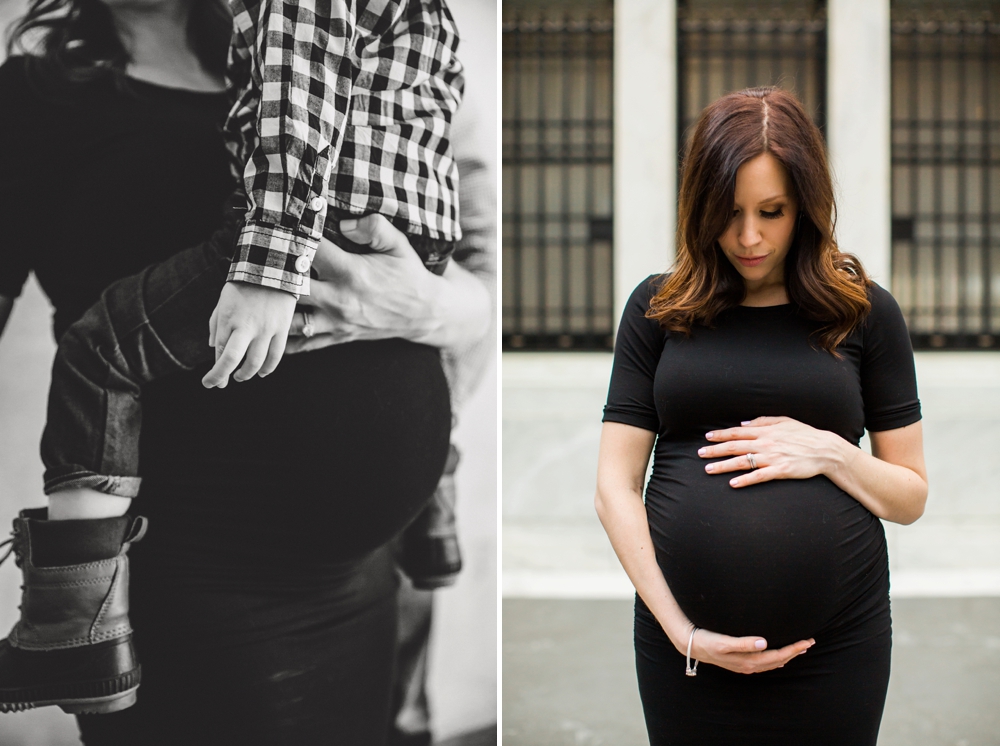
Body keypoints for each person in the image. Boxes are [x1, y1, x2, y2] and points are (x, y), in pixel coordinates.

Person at [0, 0, 490, 742]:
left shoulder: (289, 38)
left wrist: (428, 308)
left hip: (367, 574)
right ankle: (75, 623)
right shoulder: (34, 96)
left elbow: (477, 272)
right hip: (197, 579)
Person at [595, 87, 928, 746]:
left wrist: (831, 452)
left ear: (805, 203)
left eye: (771, 212)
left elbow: (911, 495)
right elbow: (614, 486)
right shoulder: (656, 311)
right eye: (729, 212)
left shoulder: (865, 312)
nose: (749, 237)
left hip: (835, 651)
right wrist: (681, 631)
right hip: (684, 651)